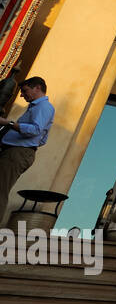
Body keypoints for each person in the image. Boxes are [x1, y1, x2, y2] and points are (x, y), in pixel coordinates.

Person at [0, 77, 55, 228]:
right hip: (17, 152)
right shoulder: (38, 107)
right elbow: (42, 139)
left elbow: (36, 130)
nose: (22, 95)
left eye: (25, 91)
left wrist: (8, 123)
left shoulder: (43, 107)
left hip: (17, 153)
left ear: (37, 88)